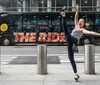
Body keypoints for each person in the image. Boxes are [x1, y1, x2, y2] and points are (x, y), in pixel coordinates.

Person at [60, 5, 100, 81]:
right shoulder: (76, 26)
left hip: (73, 39)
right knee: (71, 58)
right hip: (70, 42)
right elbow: (76, 17)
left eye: (81, 21)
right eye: (79, 21)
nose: (79, 22)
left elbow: (90, 32)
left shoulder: (82, 30)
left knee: (66, 31)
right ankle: (76, 74)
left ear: (83, 24)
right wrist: (77, 10)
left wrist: (99, 34)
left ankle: (63, 15)